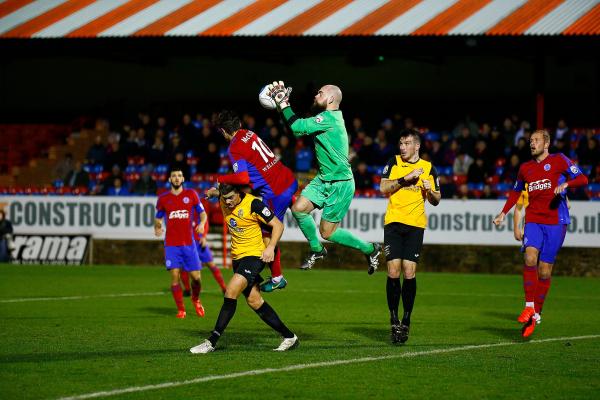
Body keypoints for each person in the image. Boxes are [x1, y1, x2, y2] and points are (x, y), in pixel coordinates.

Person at [266, 81, 381, 272]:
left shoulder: (329, 118)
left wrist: (284, 104)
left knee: (327, 232)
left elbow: (297, 128)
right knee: (299, 209)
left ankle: (370, 249)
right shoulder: (325, 118)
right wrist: (282, 108)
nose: (315, 96)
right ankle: (317, 250)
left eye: (320, 93)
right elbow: (298, 126)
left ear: (331, 98)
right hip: (324, 178)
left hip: (340, 183)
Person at [493, 130, 588, 338]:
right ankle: (529, 306)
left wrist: (566, 184)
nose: (532, 143)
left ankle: (536, 313)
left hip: (556, 222)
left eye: (536, 140)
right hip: (534, 220)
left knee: (544, 271)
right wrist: (503, 213)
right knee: (529, 256)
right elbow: (516, 192)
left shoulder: (559, 160)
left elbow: (583, 179)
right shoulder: (525, 168)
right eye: (530, 141)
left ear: (547, 143)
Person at [190, 184, 298, 354]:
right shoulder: (224, 198)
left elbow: (278, 225)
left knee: (230, 292)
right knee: (255, 301)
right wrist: (212, 193)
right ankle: (289, 337)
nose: (228, 202)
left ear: (239, 193)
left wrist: (270, 248)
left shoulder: (253, 204)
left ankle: (211, 341)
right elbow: (219, 193)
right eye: (224, 199)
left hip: (254, 256)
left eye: (231, 198)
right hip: (238, 258)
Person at [207, 110, 298, 292]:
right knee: (292, 211)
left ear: (223, 131)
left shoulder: (234, 147)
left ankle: (277, 277)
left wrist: (221, 179)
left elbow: (242, 179)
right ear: (239, 124)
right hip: (288, 179)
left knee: (266, 232)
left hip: (275, 192)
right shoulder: (249, 133)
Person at [379, 129, 441, 344]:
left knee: (409, 270)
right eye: (400, 143)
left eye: (406, 143)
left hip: (415, 226)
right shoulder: (393, 161)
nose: (402, 147)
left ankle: (406, 320)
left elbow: (436, 199)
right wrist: (404, 179)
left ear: (417, 146)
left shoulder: (428, 168)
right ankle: (394, 318)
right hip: (394, 223)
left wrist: (430, 191)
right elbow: (383, 187)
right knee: (393, 270)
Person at [155, 168, 206, 319]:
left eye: (179, 176)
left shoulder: (191, 194)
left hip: (189, 244)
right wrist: (157, 226)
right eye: (173, 176)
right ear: (170, 180)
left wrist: (202, 223)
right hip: (171, 244)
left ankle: (195, 299)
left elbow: (202, 213)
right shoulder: (163, 198)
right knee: (175, 276)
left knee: (196, 278)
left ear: (183, 179)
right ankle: (181, 309)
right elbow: (158, 218)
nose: (176, 178)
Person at [181, 208, 227, 295]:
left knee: (211, 265)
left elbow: (205, 222)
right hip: (187, 243)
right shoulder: (182, 211)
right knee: (184, 266)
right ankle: (187, 290)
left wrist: (204, 236)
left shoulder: (197, 209)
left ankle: (224, 288)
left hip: (199, 242)